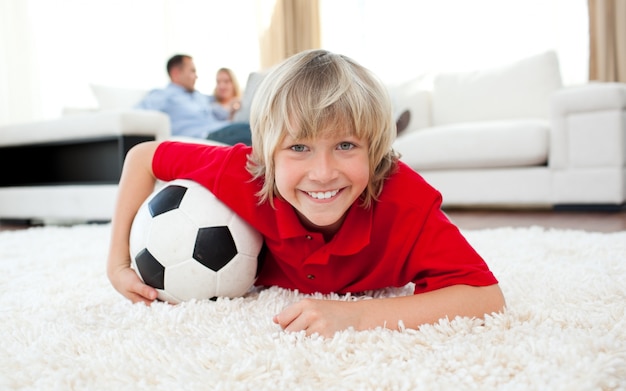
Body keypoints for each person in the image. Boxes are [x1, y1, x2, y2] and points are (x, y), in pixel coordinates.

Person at [108, 49, 505, 338]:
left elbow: (486, 297)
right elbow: (143, 157)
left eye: (346, 145)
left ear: (375, 149)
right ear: (267, 155)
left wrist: (357, 317)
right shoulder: (242, 171)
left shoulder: (405, 201)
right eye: (299, 147)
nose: (323, 173)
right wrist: (118, 263)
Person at [135, 54, 251, 145]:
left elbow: (219, 107)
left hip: (221, 128)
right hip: (205, 135)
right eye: (192, 71)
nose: (196, 76)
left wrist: (234, 105)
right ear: (176, 73)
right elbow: (135, 113)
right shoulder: (164, 95)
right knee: (253, 130)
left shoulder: (198, 96)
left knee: (255, 126)